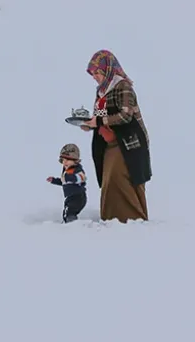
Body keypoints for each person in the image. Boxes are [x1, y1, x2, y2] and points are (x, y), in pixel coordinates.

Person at [80, 49, 151, 223]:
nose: (95, 76)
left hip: (128, 143)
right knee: (107, 180)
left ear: (107, 70)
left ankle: (131, 219)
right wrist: (90, 125)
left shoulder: (123, 87)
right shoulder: (101, 92)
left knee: (119, 178)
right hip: (109, 144)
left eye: (97, 72)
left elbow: (126, 116)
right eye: (93, 73)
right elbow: (101, 118)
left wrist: (99, 122)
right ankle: (112, 219)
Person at [47, 143, 87, 223]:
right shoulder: (66, 171)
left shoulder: (77, 169)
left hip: (78, 197)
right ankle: (67, 223)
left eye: (68, 160)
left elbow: (82, 178)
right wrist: (54, 180)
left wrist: (70, 178)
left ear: (75, 160)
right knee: (66, 211)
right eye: (63, 160)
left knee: (70, 212)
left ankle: (71, 225)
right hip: (70, 197)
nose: (65, 163)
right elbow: (64, 182)